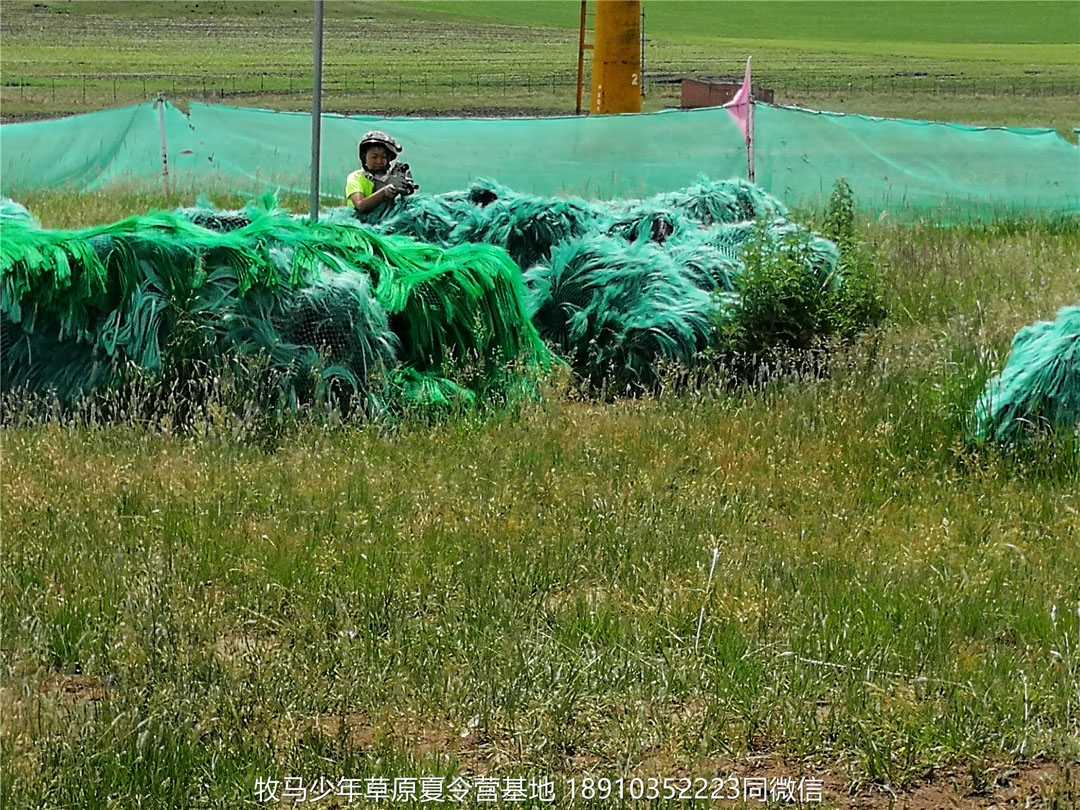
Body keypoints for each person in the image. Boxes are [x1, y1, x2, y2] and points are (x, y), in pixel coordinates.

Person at [345, 130, 406, 215]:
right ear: (364, 157)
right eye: (374, 157)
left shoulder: (391, 177)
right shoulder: (356, 177)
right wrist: (385, 192)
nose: (379, 161)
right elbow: (360, 205)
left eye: (384, 157)